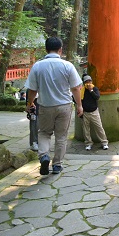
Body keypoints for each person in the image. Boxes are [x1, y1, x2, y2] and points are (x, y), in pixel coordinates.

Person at [24, 37, 83, 176]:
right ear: (60, 50)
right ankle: (57, 165)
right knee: (61, 136)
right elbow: (75, 88)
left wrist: (29, 103)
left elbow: (32, 90)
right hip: (64, 106)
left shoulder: (38, 66)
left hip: (45, 106)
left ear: (46, 49)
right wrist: (79, 105)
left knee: (44, 133)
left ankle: (44, 156)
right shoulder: (67, 66)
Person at [81, 75, 109, 151]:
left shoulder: (95, 88)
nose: (88, 83)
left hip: (94, 111)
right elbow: (77, 99)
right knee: (86, 129)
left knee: (99, 127)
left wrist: (91, 91)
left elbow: (97, 97)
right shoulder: (82, 90)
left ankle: (104, 143)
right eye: (86, 82)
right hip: (85, 112)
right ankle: (88, 143)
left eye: (89, 81)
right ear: (84, 83)